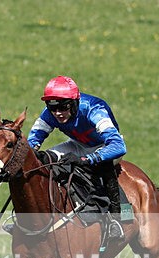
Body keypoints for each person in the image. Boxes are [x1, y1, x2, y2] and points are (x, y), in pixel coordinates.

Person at [27, 75, 126, 239]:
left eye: (63, 107)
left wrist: (87, 160)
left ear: (74, 103)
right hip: (78, 144)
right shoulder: (50, 113)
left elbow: (118, 146)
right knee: (44, 159)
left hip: (106, 147)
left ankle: (117, 220)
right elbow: (33, 142)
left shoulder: (94, 108)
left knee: (103, 165)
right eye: (53, 108)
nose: (58, 113)